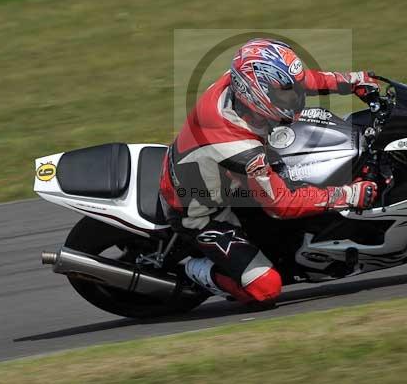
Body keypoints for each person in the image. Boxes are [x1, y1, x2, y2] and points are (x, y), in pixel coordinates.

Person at [159, 38, 379, 306]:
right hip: (200, 212)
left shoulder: (239, 79)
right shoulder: (239, 147)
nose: (295, 97)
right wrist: (347, 195)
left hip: (215, 174)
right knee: (266, 288)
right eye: (285, 93)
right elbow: (281, 205)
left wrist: (352, 81)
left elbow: (300, 80)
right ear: (257, 93)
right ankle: (192, 272)